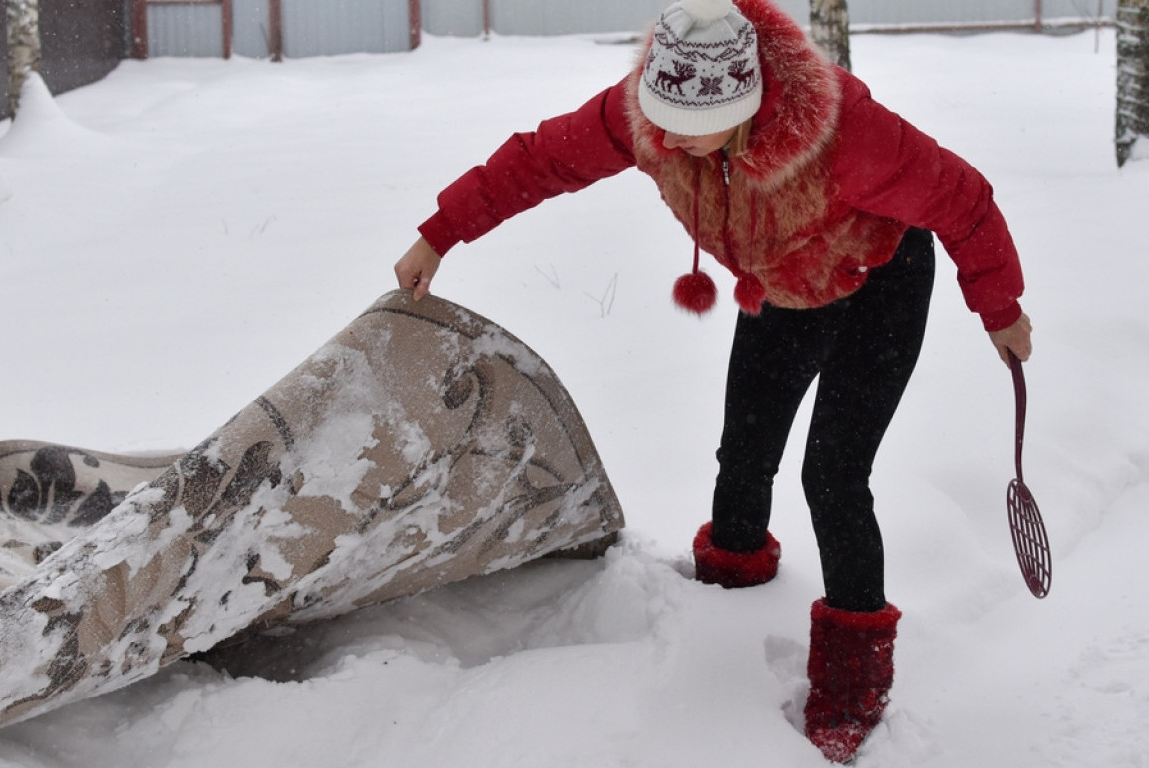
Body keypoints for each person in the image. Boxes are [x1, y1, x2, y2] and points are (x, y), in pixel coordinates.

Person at [394, 0, 1032, 761]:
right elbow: (540, 160)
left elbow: (964, 199)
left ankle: (854, 680)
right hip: (781, 285)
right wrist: (441, 232)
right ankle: (728, 584)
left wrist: (1000, 310)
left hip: (878, 285)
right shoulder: (643, 118)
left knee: (832, 474)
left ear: (751, 99)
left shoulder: (846, 133)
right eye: (663, 120)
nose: (674, 141)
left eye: (696, 125)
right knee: (745, 447)